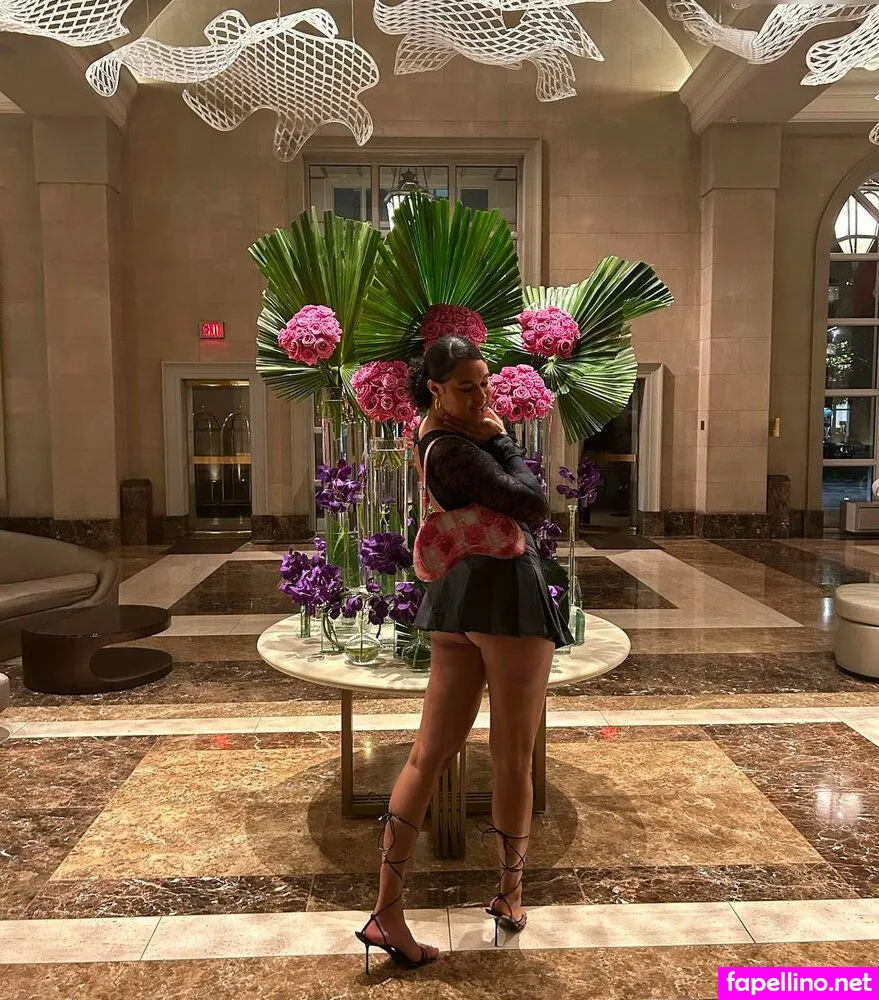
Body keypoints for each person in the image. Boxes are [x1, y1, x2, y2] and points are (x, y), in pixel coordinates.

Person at [355, 335, 573, 973]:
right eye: (465, 387)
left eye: (485, 384)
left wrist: (488, 432)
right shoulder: (456, 447)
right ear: (435, 389)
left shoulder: (433, 437)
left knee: (427, 755)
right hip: (505, 600)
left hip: (456, 598)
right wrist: (502, 440)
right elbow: (532, 502)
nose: (481, 397)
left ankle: (386, 911)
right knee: (511, 758)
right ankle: (509, 895)